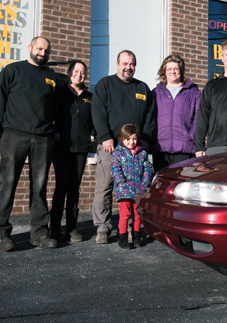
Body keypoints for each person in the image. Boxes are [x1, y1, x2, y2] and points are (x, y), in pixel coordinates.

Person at [0, 36, 60, 251]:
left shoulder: (52, 76)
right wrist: (7, 127)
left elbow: (56, 106)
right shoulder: (13, 71)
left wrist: (51, 129)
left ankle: (39, 233)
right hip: (15, 136)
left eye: (47, 51)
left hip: (43, 138)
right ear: (30, 48)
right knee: (8, 184)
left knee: (39, 187)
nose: (43, 53)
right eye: (39, 49)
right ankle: (2, 233)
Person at [91, 50, 156, 244]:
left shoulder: (143, 88)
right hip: (111, 146)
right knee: (105, 187)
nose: (128, 67)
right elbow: (98, 112)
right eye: (125, 63)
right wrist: (105, 137)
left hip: (135, 150)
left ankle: (130, 227)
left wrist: (145, 139)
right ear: (117, 64)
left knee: (133, 189)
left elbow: (150, 118)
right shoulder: (105, 84)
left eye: (132, 64)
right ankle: (103, 227)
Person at [50, 61, 95, 243]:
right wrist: (54, 131)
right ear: (69, 73)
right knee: (61, 188)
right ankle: (54, 228)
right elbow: (50, 115)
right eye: (76, 71)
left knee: (74, 189)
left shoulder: (90, 97)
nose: (79, 75)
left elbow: (96, 119)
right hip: (62, 148)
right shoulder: (59, 93)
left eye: (82, 72)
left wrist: (93, 134)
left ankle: (71, 228)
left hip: (81, 149)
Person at [152, 55, 201, 171]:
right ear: (164, 71)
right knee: (162, 186)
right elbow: (150, 119)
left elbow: (199, 117)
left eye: (176, 68)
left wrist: (191, 136)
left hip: (185, 148)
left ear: (181, 70)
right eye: (169, 69)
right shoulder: (155, 93)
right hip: (161, 149)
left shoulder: (193, 91)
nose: (172, 71)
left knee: (182, 185)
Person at [110, 124, 153, 249]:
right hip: (124, 190)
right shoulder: (118, 153)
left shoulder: (142, 152)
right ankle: (123, 239)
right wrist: (121, 183)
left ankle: (136, 237)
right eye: (128, 139)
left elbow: (148, 168)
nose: (131, 142)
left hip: (138, 189)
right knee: (124, 215)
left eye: (134, 139)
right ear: (122, 139)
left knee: (137, 214)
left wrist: (145, 182)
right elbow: (115, 168)